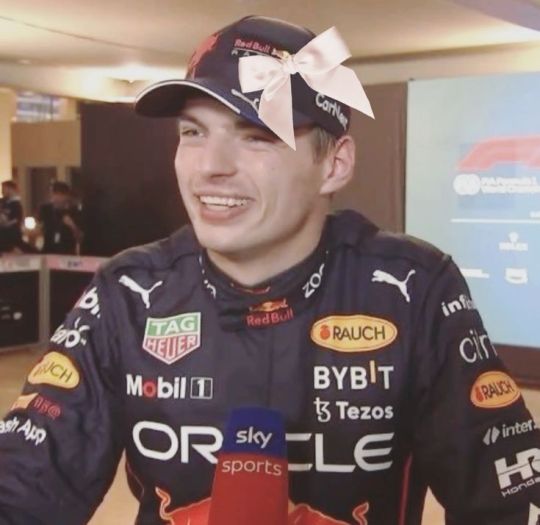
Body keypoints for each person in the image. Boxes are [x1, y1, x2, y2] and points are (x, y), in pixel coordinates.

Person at [0, 15, 539, 525]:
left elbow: (508, 501)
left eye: (256, 136)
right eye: (193, 133)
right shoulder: (128, 293)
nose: (211, 167)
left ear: (334, 164)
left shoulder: (414, 288)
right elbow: (21, 487)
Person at [38, 180, 84, 254]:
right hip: (48, 251)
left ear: (66, 196)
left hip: (67, 252)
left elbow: (80, 238)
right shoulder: (46, 209)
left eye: (59, 195)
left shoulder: (75, 211)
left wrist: (72, 225)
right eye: (53, 194)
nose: (55, 198)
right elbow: (39, 228)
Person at [0, 180, 23, 253]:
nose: (2, 191)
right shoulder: (2, 202)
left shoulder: (16, 204)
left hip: (10, 234)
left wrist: (6, 223)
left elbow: (16, 220)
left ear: (11, 189)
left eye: (4, 189)